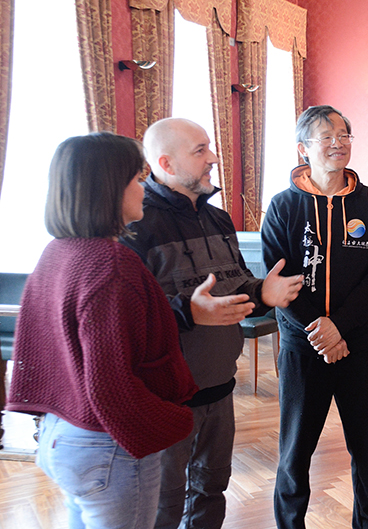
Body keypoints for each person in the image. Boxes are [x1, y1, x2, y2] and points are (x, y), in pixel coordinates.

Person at [6, 132, 198, 529]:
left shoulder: (57, 251)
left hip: (63, 434)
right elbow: (111, 387)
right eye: (136, 179)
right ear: (109, 188)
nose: (143, 188)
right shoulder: (110, 265)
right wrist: (175, 420)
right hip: (106, 444)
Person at [121, 118, 304, 529]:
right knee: (164, 505)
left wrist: (263, 293)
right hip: (165, 399)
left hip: (220, 389)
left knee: (210, 489)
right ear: (166, 163)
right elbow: (127, 316)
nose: (215, 158)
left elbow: (236, 291)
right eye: (200, 150)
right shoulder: (135, 223)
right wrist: (188, 311)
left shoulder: (219, 220)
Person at [261, 105, 368, 529]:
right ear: (303, 148)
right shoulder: (283, 206)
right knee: (295, 454)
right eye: (327, 136)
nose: (338, 143)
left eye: (344, 135)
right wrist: (320, 332)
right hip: (303, 348)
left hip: (360, 346)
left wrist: (340, 327)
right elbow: (278, 279)